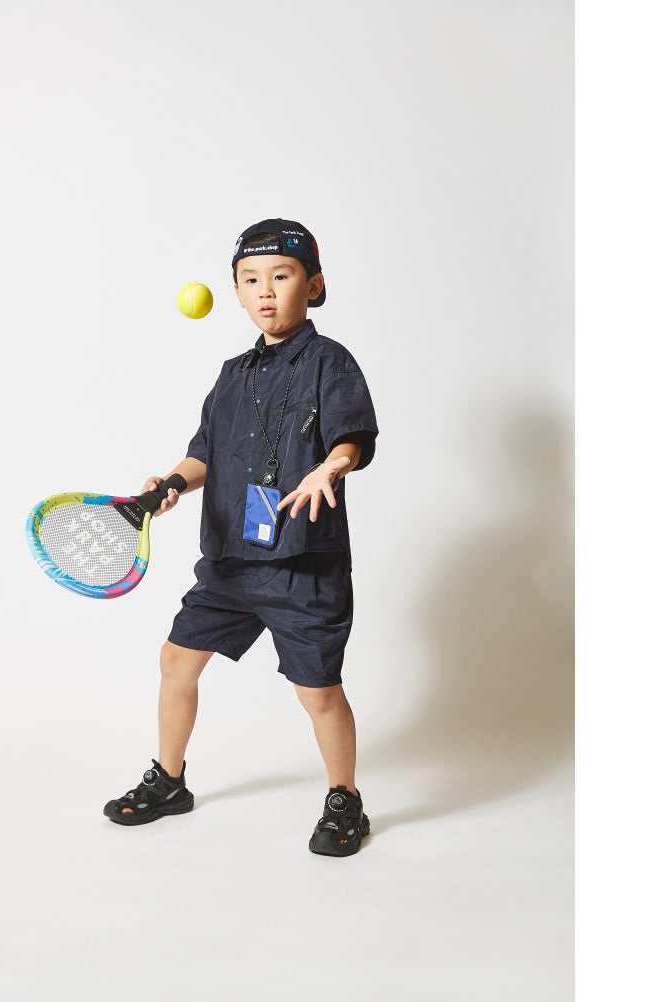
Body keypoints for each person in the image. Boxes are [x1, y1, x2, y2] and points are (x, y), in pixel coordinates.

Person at [103, 218, 379, 856]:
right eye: (250, 280)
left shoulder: (331, 362)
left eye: (281, 276)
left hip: (301, 561)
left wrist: (331, 466)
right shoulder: (231, 374)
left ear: (313, 286)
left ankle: (346, 798)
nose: (266, 291)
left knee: (319, 691)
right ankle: (170, 780)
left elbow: (352, 438)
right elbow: (205, 452)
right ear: (235, 293)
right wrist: (170, 483)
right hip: (230, 561)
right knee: (177, 660)